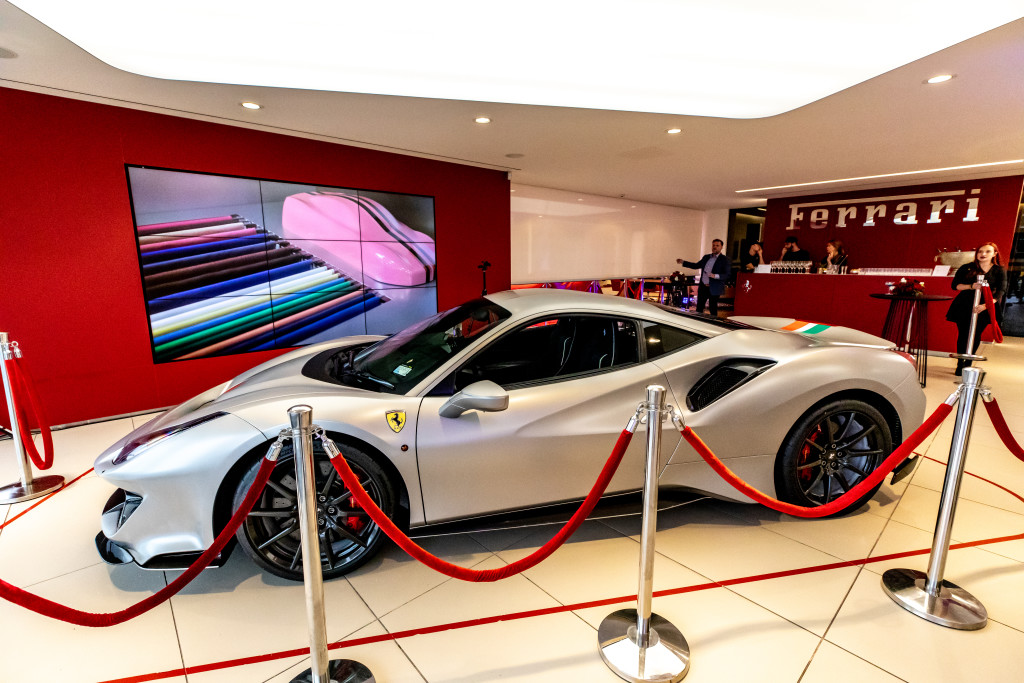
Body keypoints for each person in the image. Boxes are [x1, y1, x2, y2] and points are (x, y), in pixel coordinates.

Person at [946, 241, 1006, 376]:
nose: (983, 254)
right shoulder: (966, 267)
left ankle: (968, 363)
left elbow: (1001, 290)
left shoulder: (999, 270)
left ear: (994, 254)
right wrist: (971, 286)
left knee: (976, 334)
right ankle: (960, 363)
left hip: (985, 306)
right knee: (963, 334)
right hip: (964, 305)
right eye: (980, 251)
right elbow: (955, 286)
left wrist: (986, 305)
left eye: (988, 251)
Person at [677, 238, 731, 316]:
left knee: (712, 308)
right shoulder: (706, 257)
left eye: (717, 245)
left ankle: (713, 322)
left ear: (721, 247)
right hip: (703, 286)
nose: (714, 247)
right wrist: (683, 262)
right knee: (699, 308)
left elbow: (727, 274)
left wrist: (715, 276)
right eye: (713, 245)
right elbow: (696, 265)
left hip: (714, 287)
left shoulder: (725, 259)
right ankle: (698, 321)